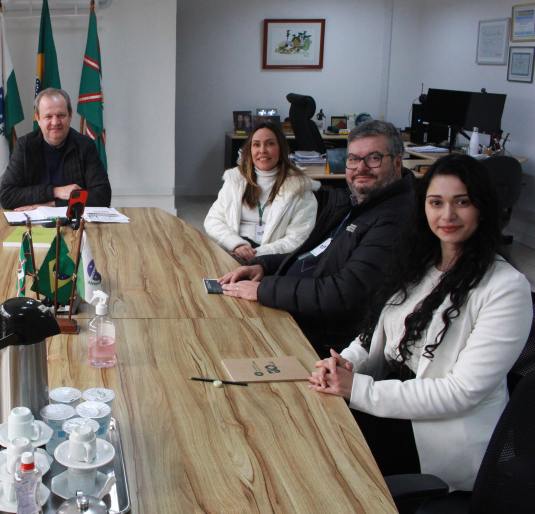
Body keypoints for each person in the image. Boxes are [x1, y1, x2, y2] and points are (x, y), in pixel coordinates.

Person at [308, 154, 532, 492]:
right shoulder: (419, 264)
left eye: (462, 203)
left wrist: (357, 388)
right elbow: (376, 336)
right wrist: (348, 362)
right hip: (390, 400)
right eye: (436, 202)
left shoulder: (506, 288)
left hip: (436, 435)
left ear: (483, 208)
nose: (447, 215)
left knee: (322, 459)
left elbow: (461, 393)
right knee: (307, 419)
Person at [219, 120, 414, 354]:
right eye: (353, 159)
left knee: (224, 341)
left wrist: (264, 290)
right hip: (293, 302)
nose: (360, 168)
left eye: (373, 158)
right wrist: (264, 265)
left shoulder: (393, 219)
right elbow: (314, 252)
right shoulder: (356, 203)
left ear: (397, 162)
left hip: (317, 337)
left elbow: (343, 294)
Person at [204, 122, 317, 263]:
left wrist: (257, 254)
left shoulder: (300, 188)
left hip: (272, 257)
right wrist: (236, 244)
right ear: (250, 150)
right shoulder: (234, 180)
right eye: (256, 144)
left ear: (281, 148)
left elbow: (297, 238)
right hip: (235, 250)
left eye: (270, 144)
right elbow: (213, 220)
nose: (262, 150)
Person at [0, 88, 111, 211]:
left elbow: (102, 196)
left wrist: (52, 205)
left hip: (75, 222)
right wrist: (55, 191)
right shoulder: (24, 146)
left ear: (70, 115)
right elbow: (7, 196)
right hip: (33, 223)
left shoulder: (85, 145)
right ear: (38, 119)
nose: (55, 122)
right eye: (48, 116)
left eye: (61, 115)